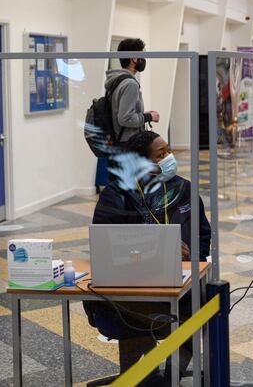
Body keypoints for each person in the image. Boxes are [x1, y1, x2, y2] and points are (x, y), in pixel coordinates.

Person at [84, 131, 211, 386]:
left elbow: (203, 234)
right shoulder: (116, 195)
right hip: (130, 286)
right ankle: (138, 376)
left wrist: (190, 258)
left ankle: (170, 377)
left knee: (204, 301)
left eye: (169, 151)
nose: (169, 159)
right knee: (133, 310)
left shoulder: (183, 189)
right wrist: (156, 251)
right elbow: (104, 248)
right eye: (161, 155)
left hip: (180, 282)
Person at [106, 38, 160, 144]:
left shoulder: (117, 80)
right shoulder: (130, 84)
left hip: (119, 142)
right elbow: (125, 118)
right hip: (128, 144)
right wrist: (149, 117)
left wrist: (141, 114)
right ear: (134, 58)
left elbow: (121, 112)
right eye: (142, 55)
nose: (144, 59)